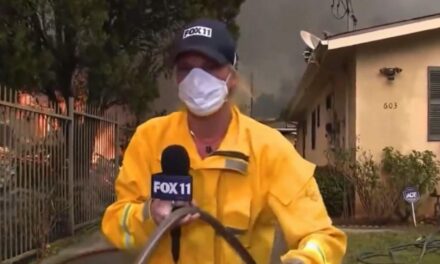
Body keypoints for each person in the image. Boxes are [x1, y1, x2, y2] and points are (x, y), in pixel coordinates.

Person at [101, 18, 347, 264]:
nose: (197, 78)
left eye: (210, 67)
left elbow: (322, 236)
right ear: (176, 77)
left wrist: (304, 260)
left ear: (232, 77)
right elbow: (116, 225)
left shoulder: (268, 149)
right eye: (186, 68)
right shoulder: (149, 140)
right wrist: (148, 214)